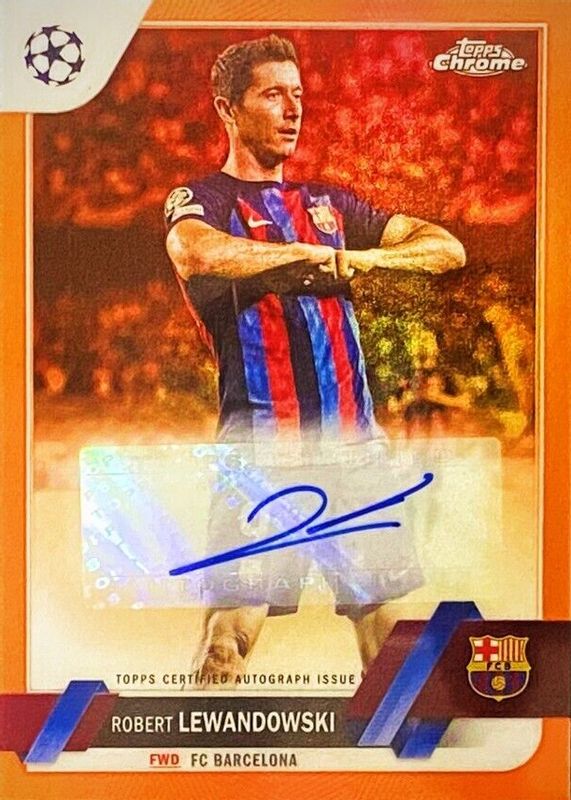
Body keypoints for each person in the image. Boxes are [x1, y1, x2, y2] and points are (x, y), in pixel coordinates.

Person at [164, 34, 466, 682]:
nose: (292, 108)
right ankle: (203, 742)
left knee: (388, 639)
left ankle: (401, 747)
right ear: (227, 109)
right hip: (261, 448)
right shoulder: (204, 199)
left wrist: (358, 261)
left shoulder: (331, 205)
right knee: (227, 637)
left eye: (297, 94)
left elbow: (445, 248)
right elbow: (195, 251)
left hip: (354, 448)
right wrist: (304, 258)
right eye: (272, 94)